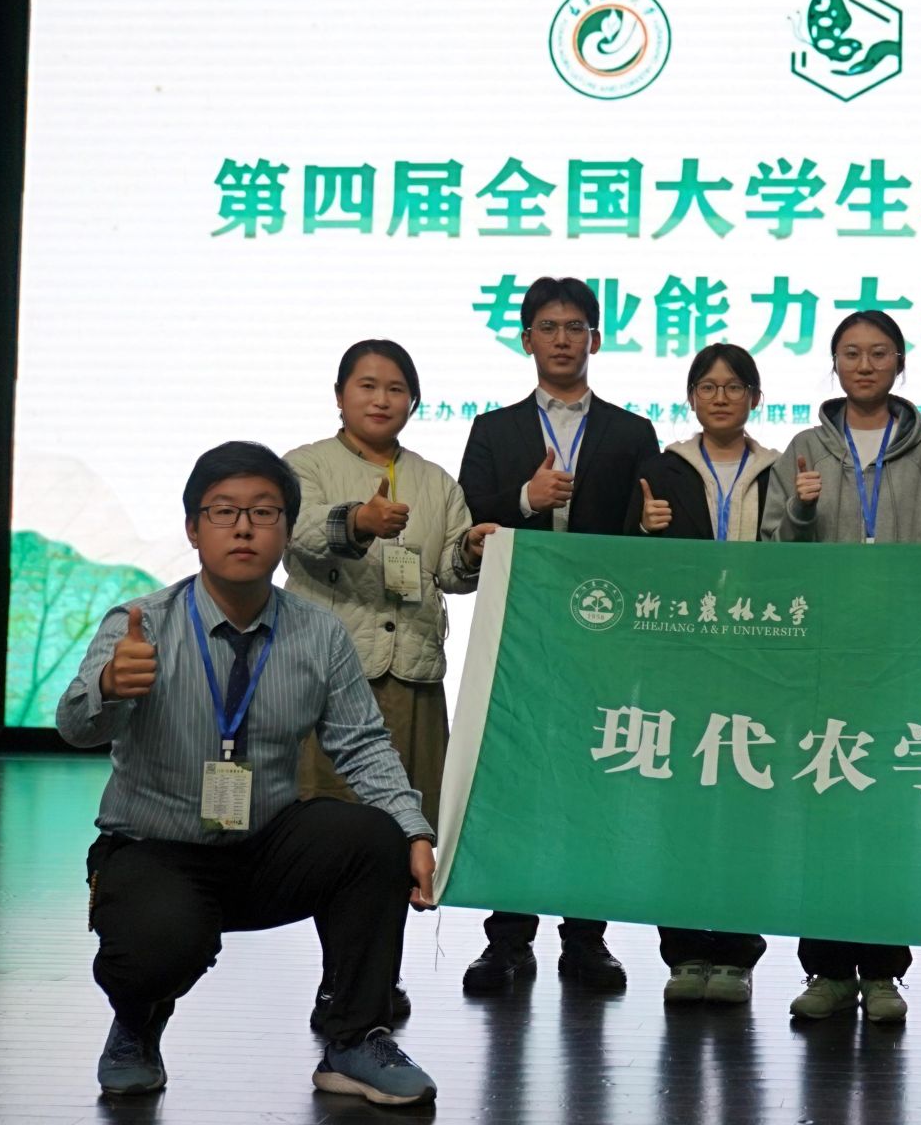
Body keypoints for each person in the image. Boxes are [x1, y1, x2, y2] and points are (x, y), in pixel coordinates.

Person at [57, 441, 438, 1106]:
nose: (243, 528)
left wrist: (414, 829)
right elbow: (74, 726)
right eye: (223, 511)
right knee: (155, 948)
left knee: (374, 838)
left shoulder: (318, 633)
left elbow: (363, 746)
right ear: (192, 529)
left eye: (263, 512)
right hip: (157, 850)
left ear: (287, 531)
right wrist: (111, 687)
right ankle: (137, 1024)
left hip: (264, 848)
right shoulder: (142, 624)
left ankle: (354, 1039)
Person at [283, 339, 497, 1024]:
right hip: (331, 677)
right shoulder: (306, 465)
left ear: (414, 401)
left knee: (400, 834)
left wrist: (471, 550)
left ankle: (378, 975)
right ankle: (340, 977)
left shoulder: (434, 480)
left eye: (396, 388)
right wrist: (358, 521)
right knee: (334, 832)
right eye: (367, 385)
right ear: (340, 395)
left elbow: (453, 574)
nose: (382, 399)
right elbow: (298, 535)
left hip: (412, 679)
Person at [457, 276, 659, 994]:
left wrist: (653, 526)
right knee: (514, 781)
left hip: (603, 635)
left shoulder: (632, 432)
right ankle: (508, 940)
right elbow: (467, 516)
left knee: (593, 780)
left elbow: (644, 533)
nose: (563, 339)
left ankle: (587, 939)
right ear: (526, 339)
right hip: (520, 630)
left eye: (576, 326)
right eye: (549, 326)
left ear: (596, 338)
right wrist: (525, 498)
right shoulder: (493, 430)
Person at [762, 309, 921, 1022]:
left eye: (878, 353)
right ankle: (829, 970)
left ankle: (884, 972)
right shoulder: (804, 447)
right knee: (826, 807)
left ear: (900, 362)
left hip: (901, 655)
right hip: (825, 654)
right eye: (851, 353)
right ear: (834, 363)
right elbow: (779, 552)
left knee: (890, 811)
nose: (864, 365)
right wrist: (802, 512)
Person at [634, 342, 780, 1004]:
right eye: (708, 386)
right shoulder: (660, 469)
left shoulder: (782, 470)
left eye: (734, 386)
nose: (721, 397)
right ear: (691, 398)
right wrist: (644, 528)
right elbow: (630, 560)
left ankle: (737, 955)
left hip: (757, 659)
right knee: (682, 807)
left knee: (748, 805)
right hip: (682, 660)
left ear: (754, 397)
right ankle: (685, 952)